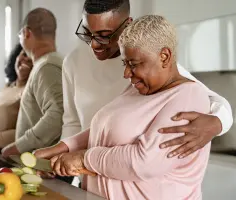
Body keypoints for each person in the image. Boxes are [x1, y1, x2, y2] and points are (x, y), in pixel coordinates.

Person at [35, 15, 212, 200]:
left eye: (133, 64)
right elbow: (104, 129)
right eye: (125, 63)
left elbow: (144, 162)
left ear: (164, 56)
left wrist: (83, 158)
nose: (127, 73)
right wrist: (63, 148)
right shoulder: (137, 89)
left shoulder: (189, 98)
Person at [34, 0, 233, 162]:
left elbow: (217, 103)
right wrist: (60, 159)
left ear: (127, 24)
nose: (94, 44)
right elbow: (72, 122)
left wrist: (216, 123)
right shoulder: (73, 61)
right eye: (87, 33)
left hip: (129, 173)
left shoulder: (148, 67)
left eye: (104, 35)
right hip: (88, 174)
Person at [1, 8, 64, 157]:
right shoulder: (52, 63)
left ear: (26, 33)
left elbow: (58, 115)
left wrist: (18, 147)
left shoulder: (46, 67)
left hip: (40, 167)